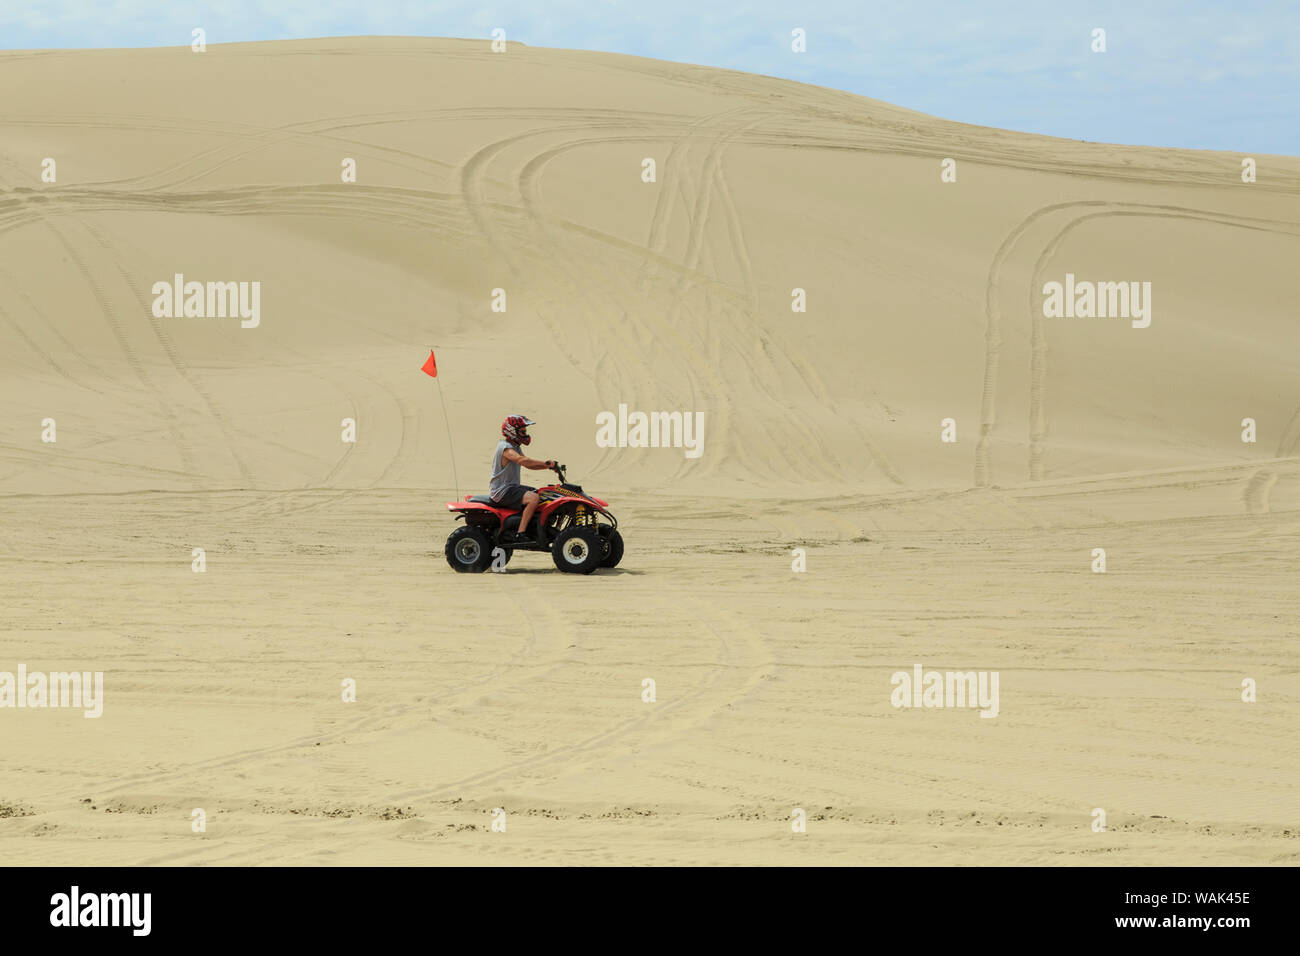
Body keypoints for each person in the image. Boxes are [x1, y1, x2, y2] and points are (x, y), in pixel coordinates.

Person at [490, 415, 556, 542]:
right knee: (534, 498)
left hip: (510, 488)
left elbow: (528, 465)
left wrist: (547, 467)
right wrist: (546, 463)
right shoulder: (505, 448)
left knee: (540, 494)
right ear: (512, 431)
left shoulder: (515, 447)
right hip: (501, 491)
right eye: (522, 431)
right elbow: (522, 461)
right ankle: (520, 533)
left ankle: (534, 527)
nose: (525, 434)